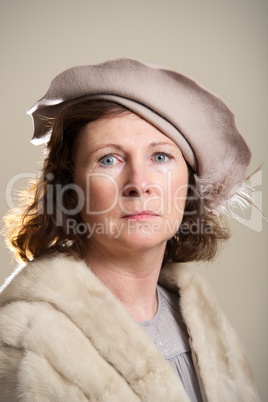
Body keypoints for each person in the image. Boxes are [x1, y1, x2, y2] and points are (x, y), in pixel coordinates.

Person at [0, 58, 260, 401]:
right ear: (70, 189)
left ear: (189, 186)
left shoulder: (201, 318)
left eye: (161, 157)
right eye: (109, 159)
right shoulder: (26, 340)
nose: (139, 184)